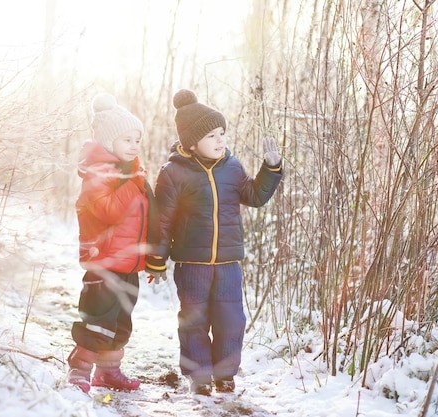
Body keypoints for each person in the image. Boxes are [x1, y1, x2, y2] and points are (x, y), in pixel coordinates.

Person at [145, 89, 283, 396]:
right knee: (194, 321)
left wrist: (270, 170)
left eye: (222, 133)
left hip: (228, 263)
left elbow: (254, 196)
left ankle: (225, 374)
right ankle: (200, 375)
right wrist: (156, 259)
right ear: (191, 142)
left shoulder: (232, 168)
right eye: (211, 136)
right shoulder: (173, 174)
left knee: (231, 320)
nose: (220, 140)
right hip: (192, 263)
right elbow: (162, 221)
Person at [67, 93, 154, 393]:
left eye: (137, 140)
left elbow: (147, 218)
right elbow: (108, 210)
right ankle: (79, 369)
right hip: (104, 261)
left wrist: (154, 256)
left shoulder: (131, 174)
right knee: (98, 318)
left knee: (120, 320)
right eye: (126, 139)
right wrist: (132, 184)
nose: (134, 145)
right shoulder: (100, 172)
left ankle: (108, 372)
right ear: (108, 142)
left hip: (129, 263)